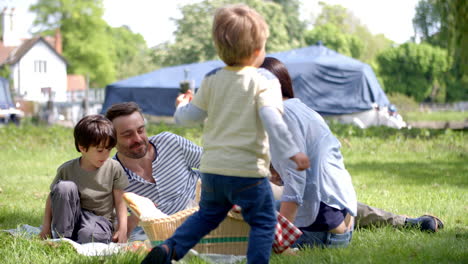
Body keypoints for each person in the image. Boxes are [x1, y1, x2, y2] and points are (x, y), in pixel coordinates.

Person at [142, 4, 310, 264]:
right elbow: (272, 120)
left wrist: (180, 106)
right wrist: (292, 152)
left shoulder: (211, 80)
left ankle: (169, 249)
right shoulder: (266, 81)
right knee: (264, 223)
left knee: (206, 216)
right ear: (257, 51)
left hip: (213, 172)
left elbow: (189, 118)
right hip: (248, 174)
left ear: (220, 50)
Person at [261, 57, 443, 241]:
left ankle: (400, 222)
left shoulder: (282, 115)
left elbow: (296, 182)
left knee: (255, 211)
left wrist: (281, 239)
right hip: (339, 211)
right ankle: (401, 222)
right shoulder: (303, 110)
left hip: (325, 224)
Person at [105, 102, 203, 240]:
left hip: (202, 219)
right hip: (156, 236)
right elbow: (111, 225)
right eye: (128, 135)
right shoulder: (112, 174)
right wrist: (133, 219)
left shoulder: (171, 142)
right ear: (112, 140)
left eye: (140, 130)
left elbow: (214, 164)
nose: (138, 139)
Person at [39, 114, 129, 243]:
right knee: (63, 187)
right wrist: (46, 228)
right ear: (82, 147)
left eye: (108, 149)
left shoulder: (114, 168)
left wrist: (122, 230)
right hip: (71, 219)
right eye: (99, 150)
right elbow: (53, 198)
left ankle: (81, 238)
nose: (105, 155)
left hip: (99, 221)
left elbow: (121, 201)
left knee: (90, 236)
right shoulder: (67, 169)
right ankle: (63, 238)